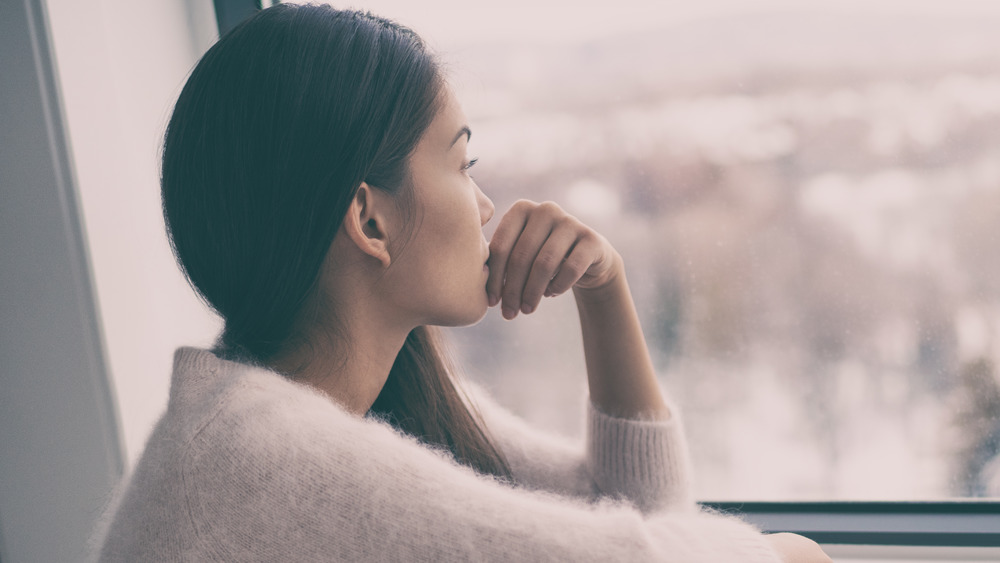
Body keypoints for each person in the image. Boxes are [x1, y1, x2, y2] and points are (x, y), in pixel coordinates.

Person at [96, 4, 830, 562]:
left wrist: (605, 288)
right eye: (461, 165)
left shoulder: (365, 392)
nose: (483, 205)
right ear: (369, 220)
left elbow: (641, 510)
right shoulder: (264, 458)